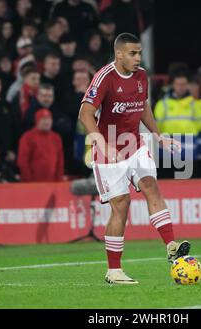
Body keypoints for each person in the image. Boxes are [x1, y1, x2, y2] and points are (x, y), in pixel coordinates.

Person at [79, 33, 190, 285]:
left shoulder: (141, 76)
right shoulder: (104, 77)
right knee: (122, 204)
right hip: (107, 150)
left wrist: (158, 135)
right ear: (118, 54)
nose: (138, 58)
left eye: (139, 53)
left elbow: (143, 106)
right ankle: (114, 271)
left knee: (151, 184)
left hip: (135, 145)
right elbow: (85, 114)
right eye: (133, 53)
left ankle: (171, 245)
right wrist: (101, 143)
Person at [17, 108, 64, 182]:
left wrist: (58, 181)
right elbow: (23, 161)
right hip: (33, 184)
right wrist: (29, 181)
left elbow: (60, 162)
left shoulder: (56, 138)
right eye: (43, 119)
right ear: (37, 121)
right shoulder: (27, 137)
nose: (47, 122)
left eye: (49, 119)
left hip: (52, 184)